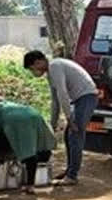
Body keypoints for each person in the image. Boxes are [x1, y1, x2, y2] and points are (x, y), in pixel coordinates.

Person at [23, 50, 97, 186]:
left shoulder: (55, 67)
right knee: (68, 136)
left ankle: (72, 176)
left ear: (38, 62)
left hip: (86, 97)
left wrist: (69, 118)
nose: (34, 72)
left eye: (32, 69)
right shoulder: (51, 74)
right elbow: (55, 100)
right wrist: (53, 124)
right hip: (80, 99)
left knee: (75, 134)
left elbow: (62, 93)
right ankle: (70, 170)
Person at [0, 89, 57, 196]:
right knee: (30, 152)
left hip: (12, 122)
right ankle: (30, 186)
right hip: (33, 115)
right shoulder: (5, 103)